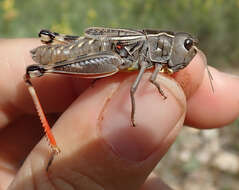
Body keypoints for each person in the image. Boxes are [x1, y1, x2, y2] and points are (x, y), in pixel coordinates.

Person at [0, 39, 238, 190]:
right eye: (186, 45)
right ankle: (53, 146)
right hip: (105, 52)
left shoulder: (153, 57)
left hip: (116, 57)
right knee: (36, 72)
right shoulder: (146, 49)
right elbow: (135, 88)